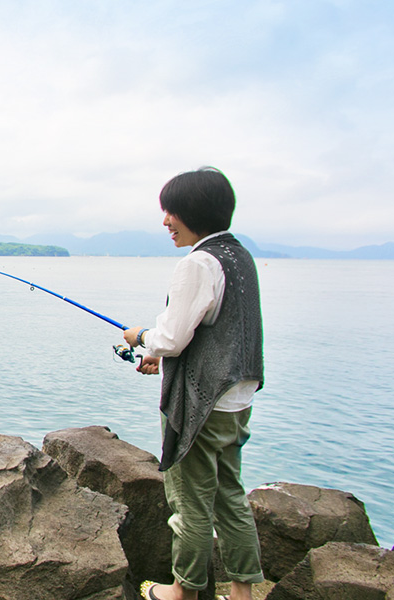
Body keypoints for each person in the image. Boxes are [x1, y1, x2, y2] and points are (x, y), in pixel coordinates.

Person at [121, 168, 264, 600]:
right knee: (229, 497)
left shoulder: (198, 263)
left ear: (193, 213)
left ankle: (183, 591)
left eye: (172, 212)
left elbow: (172, 336)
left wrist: (141, 338)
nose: (166, 222)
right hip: (235, 400)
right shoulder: (238, 256)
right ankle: (242, 593)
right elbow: (210, 332)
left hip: (202, 408)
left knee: (190, 502)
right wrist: (159, 356)